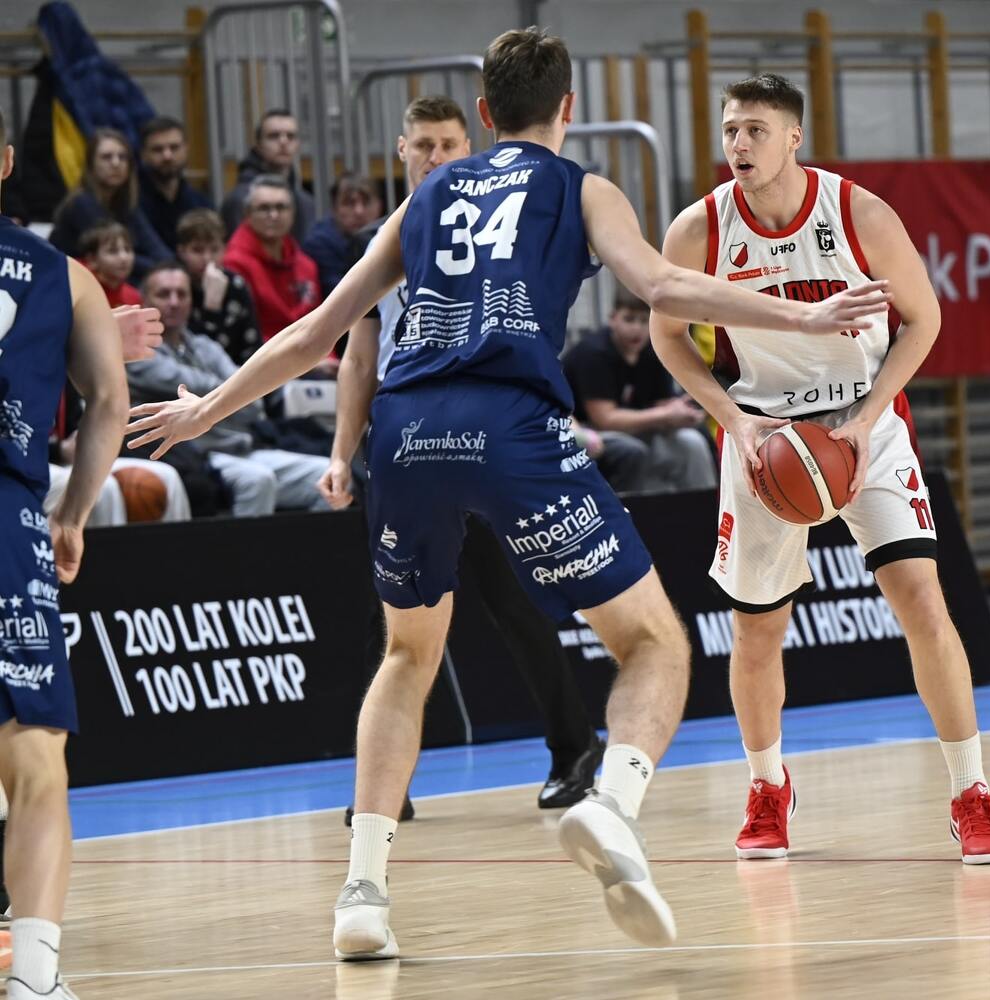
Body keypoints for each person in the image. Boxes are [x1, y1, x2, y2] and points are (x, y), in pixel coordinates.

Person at [125, 27, 888, 958]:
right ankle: (612, 804)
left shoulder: (427, 194)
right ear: (568, 107)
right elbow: (662, 285)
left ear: (483, 114)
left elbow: (320, 329)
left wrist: (206, 409)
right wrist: (801, 315)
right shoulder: (582, 188)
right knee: (653, 642)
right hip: (511, 427)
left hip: (406, 433)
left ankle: (362, 893)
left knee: (405, 656)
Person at [649, 73, 990, 866]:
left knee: (921, 600)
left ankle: (971, 791)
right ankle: (766, 787)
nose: (738, 144)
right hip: (764, 434)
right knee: (756, 628)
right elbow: (666, 336)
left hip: (864, 423)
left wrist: (868, 416)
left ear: (792, 138)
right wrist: (733, 419)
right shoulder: (699, 228)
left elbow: (924, 320)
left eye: (754, 130)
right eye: (730, 129)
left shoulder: (859, 214)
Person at [322, 94, 603, 813]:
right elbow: (359, 358)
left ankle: (575, 747)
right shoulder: (386, 239)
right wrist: (340, 453)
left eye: (448, 144)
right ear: (401, 150)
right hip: (406, 445)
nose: (435, 156)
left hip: (489, 438)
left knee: (514, 600)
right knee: (389, 623)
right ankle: (386, 785)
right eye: (423, 145)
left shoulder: (498, 227)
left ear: (470, 146)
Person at [0, 105, 131, 1000]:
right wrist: (73, 513)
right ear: (7, 162)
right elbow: (110, 401)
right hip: (8, 521)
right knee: (35, 758)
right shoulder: (63, 274)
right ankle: (37, 975)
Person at [128, 261, 326, 516]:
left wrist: (227, 394)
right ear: (144, 300)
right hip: (195, 456)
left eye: (182, 294)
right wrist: (232, 391)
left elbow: (254, 402)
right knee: (257, 480)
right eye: (164, 294)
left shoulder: (205, 346)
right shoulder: (137, 353)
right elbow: (238, 387)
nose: (174, 302)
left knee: (326, 475)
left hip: (243, 447)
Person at [564, 290, 716, 494]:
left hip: (640, 430)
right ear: (612, 319)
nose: (637, 329)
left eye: (644, 321)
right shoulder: (594, 353)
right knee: (631, 451)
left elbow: (662, 403)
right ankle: (629, 512)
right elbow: (605, 419)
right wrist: (665, 414)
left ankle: (707, 507)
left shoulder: (653, 350)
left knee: (693, 441)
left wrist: (682, 412)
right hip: (590, 432)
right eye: (629, 319)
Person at [221, 176, 325, 369]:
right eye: (264, 208)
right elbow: (246, 335)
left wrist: (326, 357)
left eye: (281, 207)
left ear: (293, 213)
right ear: (247, 214)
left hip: (312, 360)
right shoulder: (233, 264)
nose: (274, 215)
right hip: (260, 365)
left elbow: (319, 323)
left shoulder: (307, 265)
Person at [49, 128, 171, 280]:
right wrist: (164, 269)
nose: (116, 163)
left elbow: (156, 248)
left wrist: (171, 267)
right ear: (91, 164)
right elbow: (117, 260)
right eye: (106, 157)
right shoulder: (81, 204)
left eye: (122, 157)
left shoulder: (126, 204)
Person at [176, 209, 261, 367]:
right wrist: (211, 309)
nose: (207, 258)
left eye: (214, 250)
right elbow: (191, 353)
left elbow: (251, 344)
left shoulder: (236, 285)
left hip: (238, 370)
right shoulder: (176, 288)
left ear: (224, 249)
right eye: (197, 250)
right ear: (182, 252)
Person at [220, 110, 317, 242]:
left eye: (290, 136)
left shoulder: (306, 203)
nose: (283, 141)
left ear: (298, 144)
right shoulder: (240, 200)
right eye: (274, 136)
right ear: (258, 144)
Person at [136, 116, 213, 252]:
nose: (167, 156)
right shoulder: (132, 204)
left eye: (174, 147)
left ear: (186, 149)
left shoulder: (201, 203)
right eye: (158, 149)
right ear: (143, 154)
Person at [303, 173, 381, 298]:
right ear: (334, 208)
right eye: (349, 203)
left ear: (379, 205)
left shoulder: (389, 234)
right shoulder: (319, 244)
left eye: (366, 202)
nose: (359, 211)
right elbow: (343, 296)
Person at [75, 222, 139, 308]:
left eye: (127, 249)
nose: (124, 257)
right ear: (92, 260)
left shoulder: (133, 297)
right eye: (112, 251)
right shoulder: (77, 290)